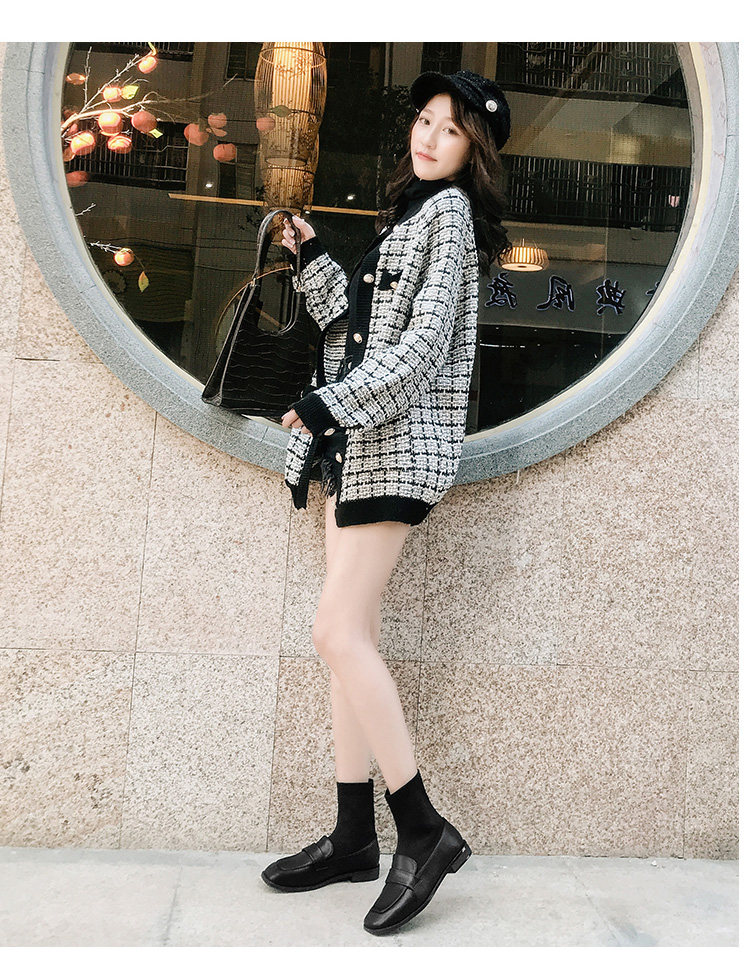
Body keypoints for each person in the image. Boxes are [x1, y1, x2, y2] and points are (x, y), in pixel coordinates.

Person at [262, 69, 511, 937]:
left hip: (396, 450)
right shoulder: (410, 215)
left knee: (335, 632)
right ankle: (352, 836)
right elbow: (361, 329)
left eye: (451, 129)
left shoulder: (450, 218)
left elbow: (420, 351)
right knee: (351, 640)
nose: (430, 137)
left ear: (474, 151)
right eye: (426, 121)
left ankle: (422, 827)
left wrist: (327, 404)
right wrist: (312, 257)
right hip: (361, 449)